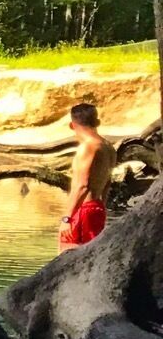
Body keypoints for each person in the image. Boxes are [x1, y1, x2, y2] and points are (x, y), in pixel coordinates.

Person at [59, 100, 114, 248]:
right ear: (97, 122)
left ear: (72, 125)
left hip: (83, 210)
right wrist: (102, 207)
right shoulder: (108, 147)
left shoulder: (88, 147)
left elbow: (82, 185)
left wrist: (67, 219)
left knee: (67, 258)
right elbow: (108, 182)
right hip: (98, 208)